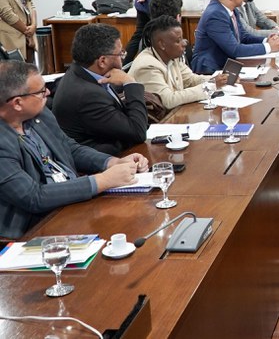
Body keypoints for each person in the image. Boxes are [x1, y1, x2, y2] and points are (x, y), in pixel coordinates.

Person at [0, 60, 148, 239]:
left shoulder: (39, 114)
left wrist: (112, 162)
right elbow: (33, 197)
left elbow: (70, 147)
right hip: (35, 228)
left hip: (73, 204)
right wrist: (102, 180)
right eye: (40, 91)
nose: (47, 92)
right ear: (17, 103)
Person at [52, 23, 148, 156]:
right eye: (120, 54)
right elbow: (138, 132)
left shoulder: (80, 71)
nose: (122, 60)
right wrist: (130, 82)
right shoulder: (87, 95)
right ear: (102, 61)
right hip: (102, 164)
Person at [191, 0, 279, 74]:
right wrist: (268, 47)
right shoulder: (215, 14)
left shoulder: (231, 9)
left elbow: (244, 37)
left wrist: (266, 40)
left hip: (228, 66)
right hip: (211, 71)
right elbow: (235, 49)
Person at [129, 15, 227, 109]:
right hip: (160, 122)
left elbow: (190, 80)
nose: (184, 43)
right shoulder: (147, 66)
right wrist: (210, 86)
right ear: (162, 44)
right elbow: (168, 100)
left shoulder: (171, 56)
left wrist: (217, 80)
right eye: (178, 40)